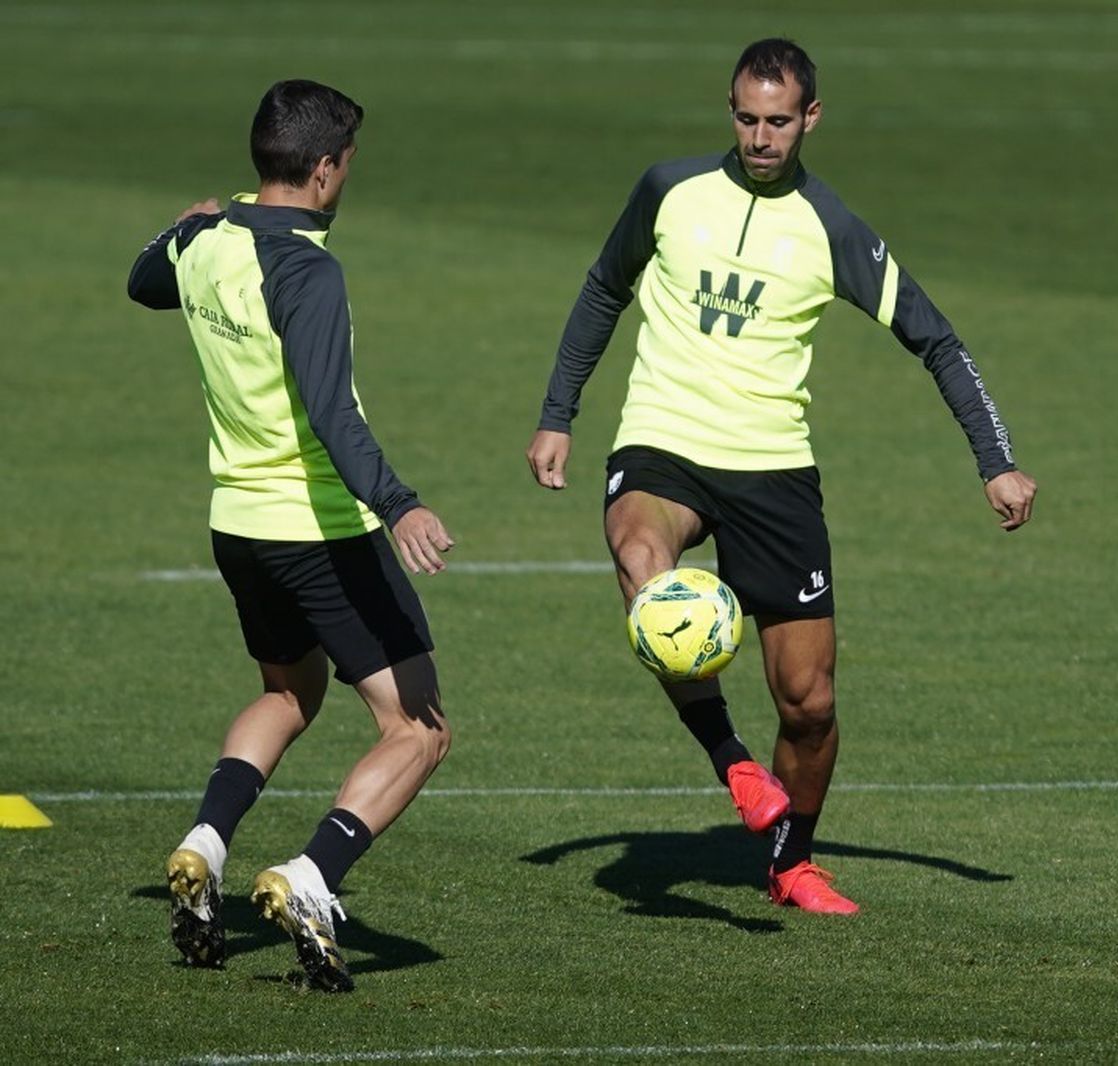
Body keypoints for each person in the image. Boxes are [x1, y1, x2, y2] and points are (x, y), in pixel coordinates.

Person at [527, 38, 1037, 915]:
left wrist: (996, 460)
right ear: (730, 111)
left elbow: (937, 339)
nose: (760, 137)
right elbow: (602, 291)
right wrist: (558, 414)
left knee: (809, 703)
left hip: (773, 469)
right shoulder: (669, 191)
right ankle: (733, 763)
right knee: (644, 560)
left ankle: (791, 861)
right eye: (745, 118)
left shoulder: (833, 229)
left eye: (777, 121)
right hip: (664, 441)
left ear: (810, 118)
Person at [128, 79, 455, 992]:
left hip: (236, 525)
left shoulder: (205, 239)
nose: (347, 179)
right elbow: (330, 415)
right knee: (418, 727)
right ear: (321, 170)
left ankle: (206, 843)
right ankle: (313, 876)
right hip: (317, 530)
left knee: (290, 689)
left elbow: (141, 279)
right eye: (345, 165)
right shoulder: (309, 270)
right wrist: (400, 504)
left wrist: (185, 222)